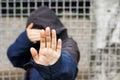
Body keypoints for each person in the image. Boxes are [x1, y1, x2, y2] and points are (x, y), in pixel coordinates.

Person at [7, 6, 80, 80]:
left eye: (40, 30)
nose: (38, 34)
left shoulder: (68, 43)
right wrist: (25, 38)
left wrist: (56, 64)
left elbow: (68, 67)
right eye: (34, 31)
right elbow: (14, 57)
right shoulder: (35, 45)